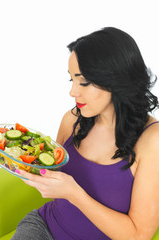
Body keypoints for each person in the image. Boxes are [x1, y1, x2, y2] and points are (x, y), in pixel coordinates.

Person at [11, 27, 159, 240]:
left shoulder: (152, 141)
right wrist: (26, 163)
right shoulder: (72, 119)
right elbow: (52, 177)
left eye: (84, 82)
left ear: (115, 80)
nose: (73, 92)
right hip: (44, 229)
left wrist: (75, 194)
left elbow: (138, 235)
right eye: (72, 79)